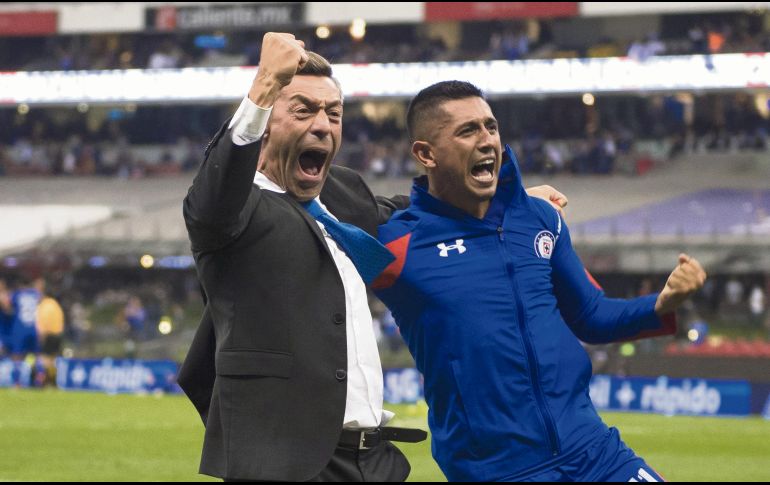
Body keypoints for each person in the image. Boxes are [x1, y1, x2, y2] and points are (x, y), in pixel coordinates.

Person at [179, 34, 567, 482]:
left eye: (334, 113)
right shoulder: (234, 208)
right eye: (303, 110)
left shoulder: (340, 193)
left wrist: (509, 204)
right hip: (285, 465)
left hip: (372, 462)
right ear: (265, 123)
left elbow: (415, 215)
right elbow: (212, 200)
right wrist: (265, 84)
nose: (323, 125)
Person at [373, 81, 707, 482]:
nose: (487, 141)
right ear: (426, 154)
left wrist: (661, 303)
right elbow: (316, 212)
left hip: (595, 450)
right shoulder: (398, 243)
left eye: (491, 127)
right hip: (499, 471)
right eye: (467, 131)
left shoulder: (539, 218)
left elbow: (591, 314)